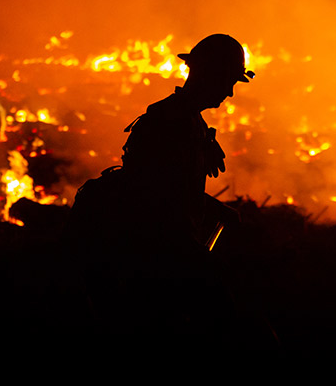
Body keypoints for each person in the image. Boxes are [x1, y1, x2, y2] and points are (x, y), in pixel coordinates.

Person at [66, 33, 253, 335]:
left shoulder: (191, 123)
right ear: (208, 74)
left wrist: (217, 209)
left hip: (169, 255)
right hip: (147, 264)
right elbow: (152, 203)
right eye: (228, 81)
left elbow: (174, 190)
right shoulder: (165, 124)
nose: (230, 92)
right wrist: (196, 262)